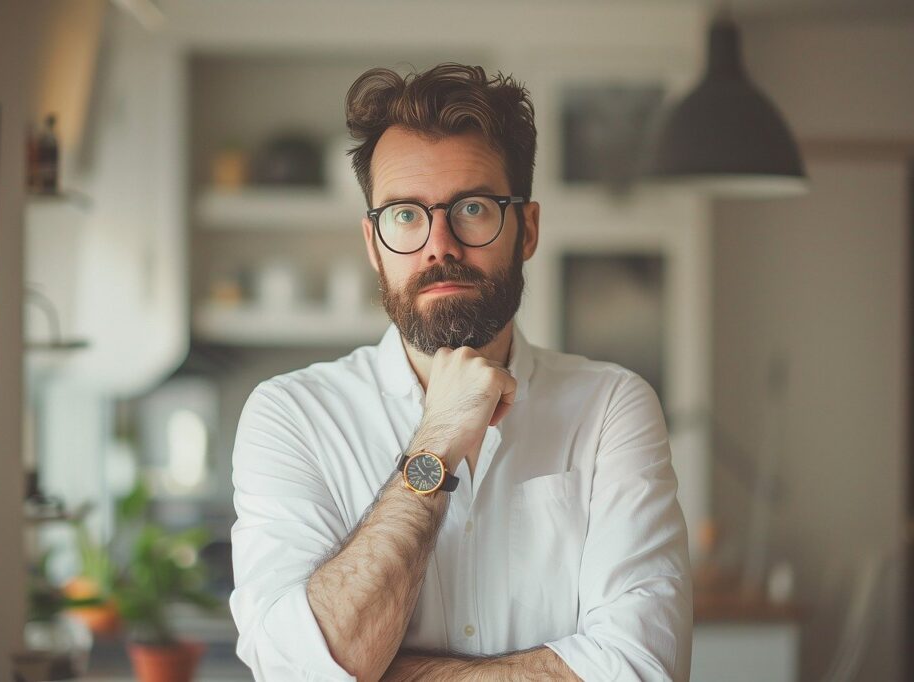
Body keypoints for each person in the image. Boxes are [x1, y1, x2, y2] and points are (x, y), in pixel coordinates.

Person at [229, 62, 692, 682]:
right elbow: (292, 673)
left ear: (525, 229)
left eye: (472, 208)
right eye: (404, 215)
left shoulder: (610, 407)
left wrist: (383, 672)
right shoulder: (291, 415)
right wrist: (436, 444)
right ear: (373, 244)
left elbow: (642, 668)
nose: (438, 244)